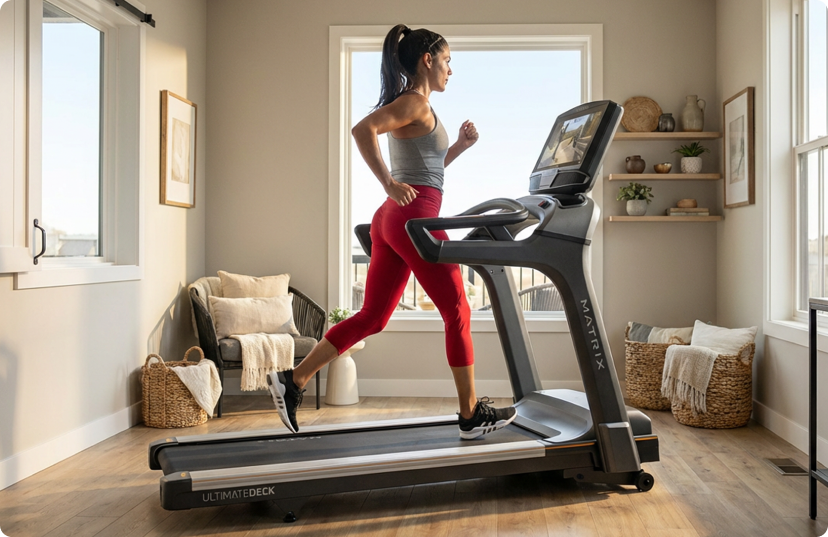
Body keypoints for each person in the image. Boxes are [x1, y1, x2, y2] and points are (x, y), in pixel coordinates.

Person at [268, 24, 516, 440]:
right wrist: (387, 182)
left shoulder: (420, 108)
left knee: (373, 316)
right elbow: (362, 130)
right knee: (458, 310)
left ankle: (293, 380)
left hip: (393, 219)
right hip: (412, 218)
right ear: (428, 59)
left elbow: (427, 172)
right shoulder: (414, 103)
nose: (450, 70)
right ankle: (470, 415)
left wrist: (457, 147)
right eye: (448, 61)